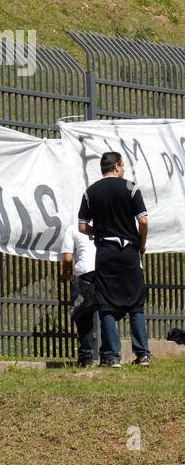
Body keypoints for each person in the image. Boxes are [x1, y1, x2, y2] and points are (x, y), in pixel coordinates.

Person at [77, 151, 149, 367]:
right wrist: (141, 243)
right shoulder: (130, 187)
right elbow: (143, 221)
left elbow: (82, 226)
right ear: (117, 166)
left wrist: (95, 231)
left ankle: (112, 356)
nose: (124, 169)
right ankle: (143, 354)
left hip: (105, 251)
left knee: (106, 303)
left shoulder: (91, 192)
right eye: (123, 166)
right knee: (135, 302)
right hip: (128, 251)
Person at [59, 219, 98, 367]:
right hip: (104, 271)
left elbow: (68, 257)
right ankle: (110, 355)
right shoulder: (104, 225)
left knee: (83, 315)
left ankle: (86, 356)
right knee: (107, 314)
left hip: (85, 273)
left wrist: (65, 274)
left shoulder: (72, 228)